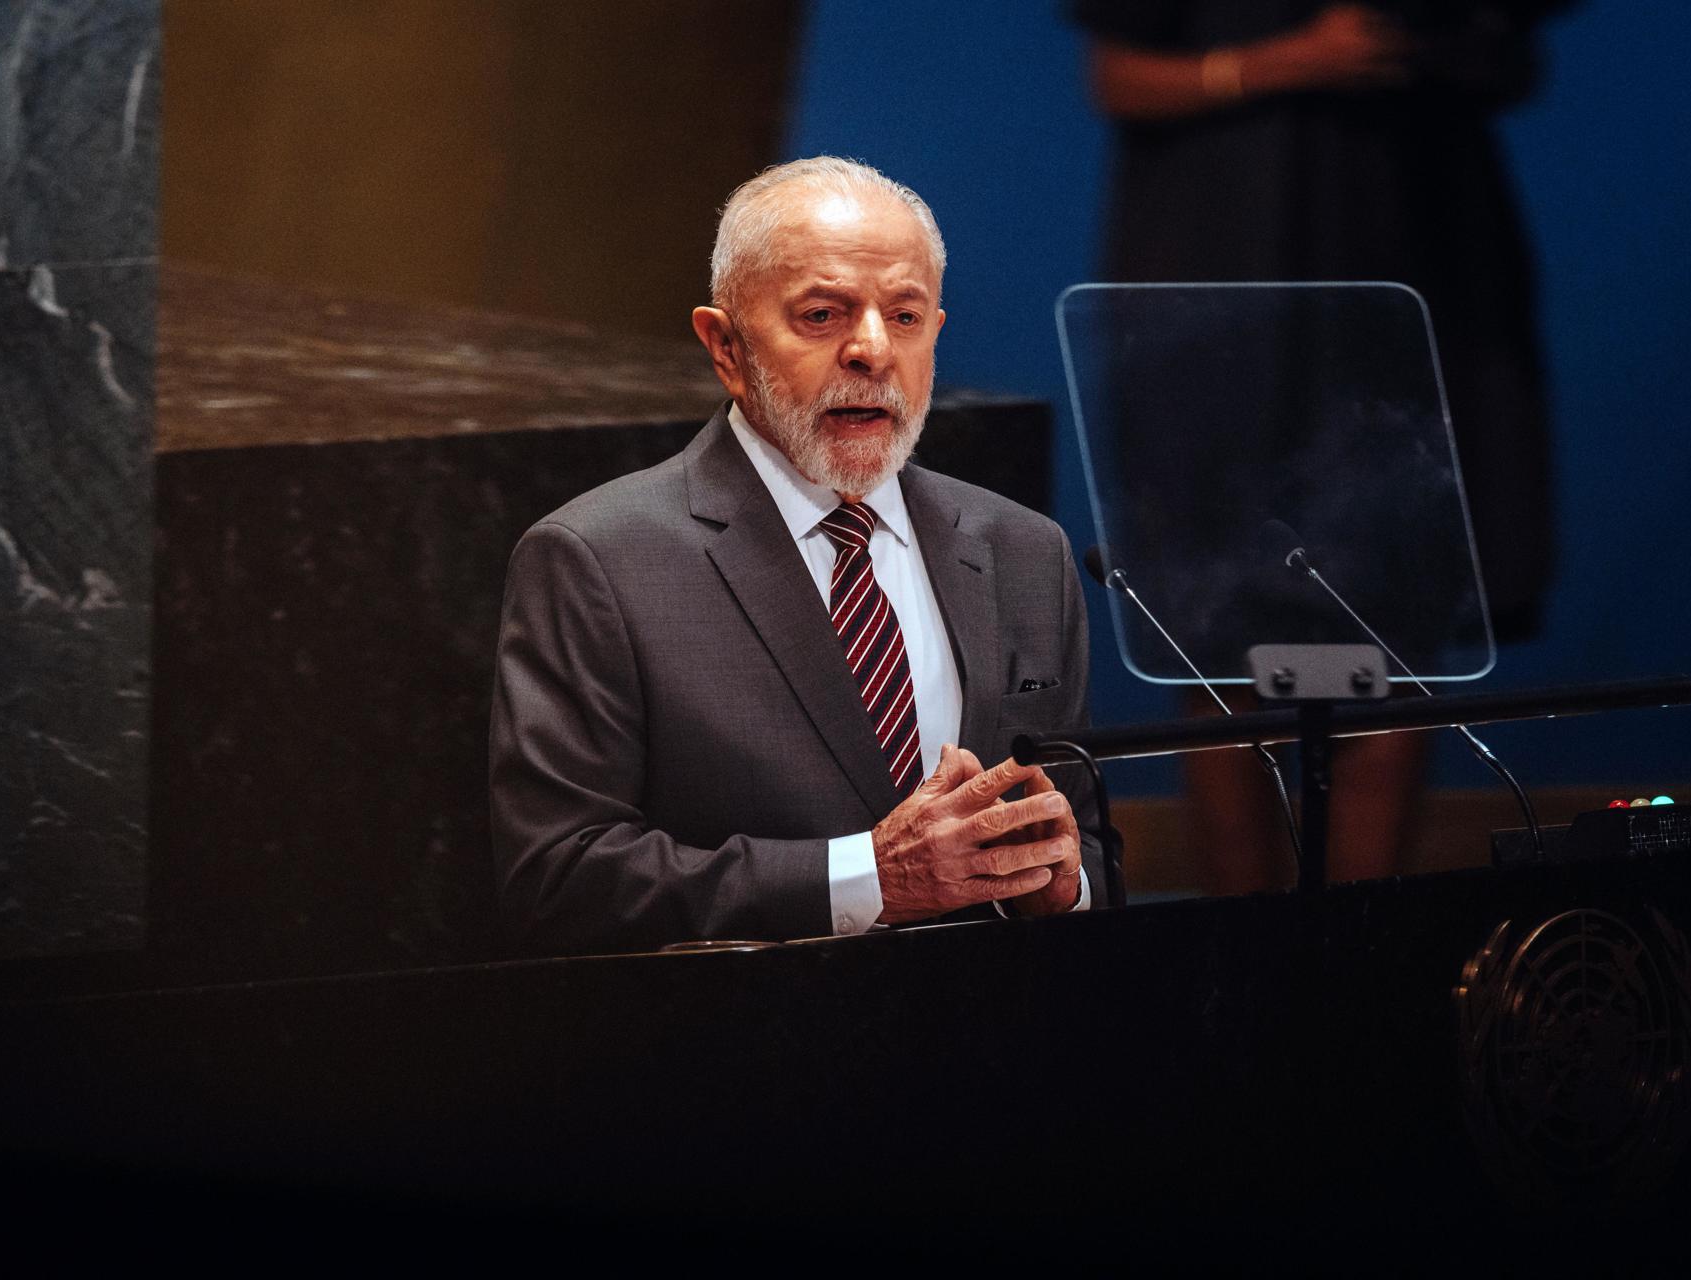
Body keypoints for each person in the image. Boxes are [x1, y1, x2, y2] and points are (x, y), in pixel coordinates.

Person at [489, 157, 1101, 955]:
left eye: (906, 317)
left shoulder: (1026, 551)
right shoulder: (599, 561)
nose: (873, 351)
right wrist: (868, 878)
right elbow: (559, 878)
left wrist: (1063, 884)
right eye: (823, 315)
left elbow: (1091, 840)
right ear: (726, 346)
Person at [1074, 1, 1561, 891]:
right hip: (1218, 281)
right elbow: (1118, 75)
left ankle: (1355, 959)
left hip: (1414, 268)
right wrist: (1289, 60)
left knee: (1393, 622)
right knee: (1225, 634)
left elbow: (1514, 60)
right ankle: (1248, 959)